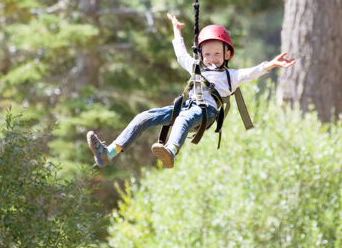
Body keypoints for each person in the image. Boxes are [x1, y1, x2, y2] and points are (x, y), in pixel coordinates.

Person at [87, 13, 295, 169]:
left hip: (205, 112)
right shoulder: (196, 66)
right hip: (187, 107)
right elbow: (180, 54)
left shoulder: (231, 76)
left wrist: (271, 65)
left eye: (216, 53)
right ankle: (108, 153)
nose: (212, 58)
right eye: (207, 54)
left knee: (183, 119)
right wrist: (177, 30)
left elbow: (252, 72)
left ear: (227, 54)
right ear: (201, 55)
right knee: (144, 117)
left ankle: (170, 150)